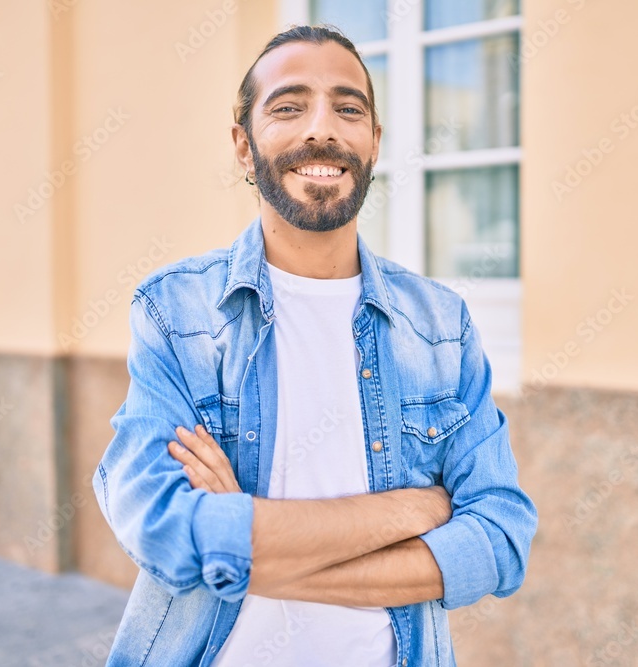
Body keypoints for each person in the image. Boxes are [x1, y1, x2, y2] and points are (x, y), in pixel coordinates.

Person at [92, 24, 537, 667]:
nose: (321, 130)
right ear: (245, 148)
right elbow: (163, 527)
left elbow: (501, 538)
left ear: (374, 143)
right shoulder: (178, 312)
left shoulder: (441, 325)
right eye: (289, 107)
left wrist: (247, 547)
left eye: (348, 108)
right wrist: (413, 510)